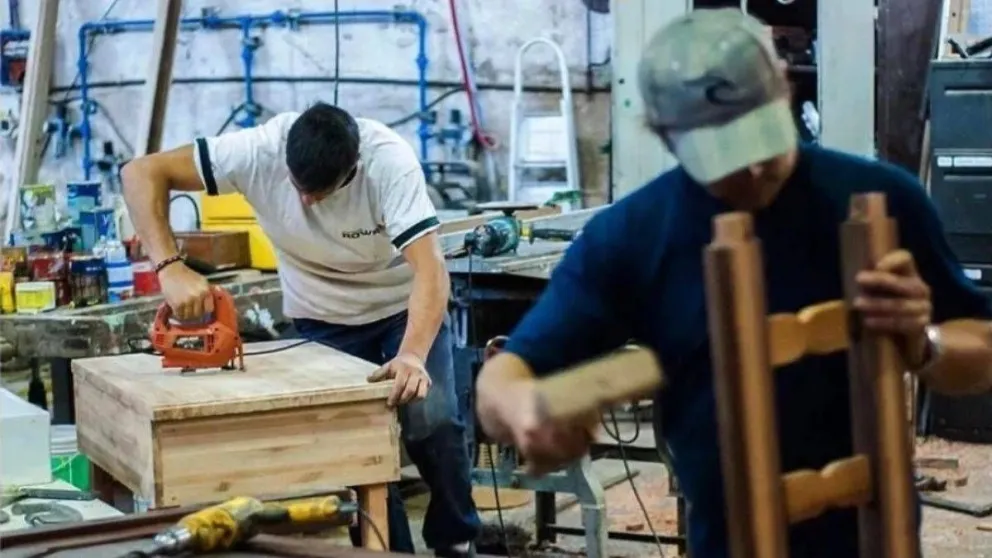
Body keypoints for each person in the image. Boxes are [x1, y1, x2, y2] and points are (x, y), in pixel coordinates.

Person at [475, 8, 992, 558]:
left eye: (761, 139)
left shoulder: (881, 201)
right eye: (725, 152)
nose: (753, 170)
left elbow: (982, 351)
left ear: (785, 89)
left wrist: (923, 342)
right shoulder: (633, 236)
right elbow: (500, 384)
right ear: (663, 134)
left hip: (875, 540)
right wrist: (525, 412)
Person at [121, 102, 480, 557]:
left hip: (400, 308)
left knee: (434, 419)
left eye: (321, 193)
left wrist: (411, 355)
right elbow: (140, 172)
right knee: (355, 445)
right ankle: (389, 551)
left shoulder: (390, 163)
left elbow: (431, 271)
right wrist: (169, 267)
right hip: (321, 314)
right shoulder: (257, 151)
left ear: (354, 166)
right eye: (299, 188)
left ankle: (456, 538)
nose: (308, 202)